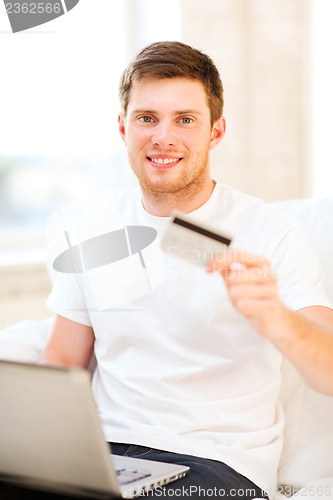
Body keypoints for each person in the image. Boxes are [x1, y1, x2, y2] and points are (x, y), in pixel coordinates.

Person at [17, 42, 333, 499]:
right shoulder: (90, 229)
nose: (163, 137)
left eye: (185, 120)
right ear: (123, 127)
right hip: (106, 453)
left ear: (216, 132)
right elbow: (63, 360)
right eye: (147, 118)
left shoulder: (272, 234)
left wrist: (277, 319)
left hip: (218, 464)